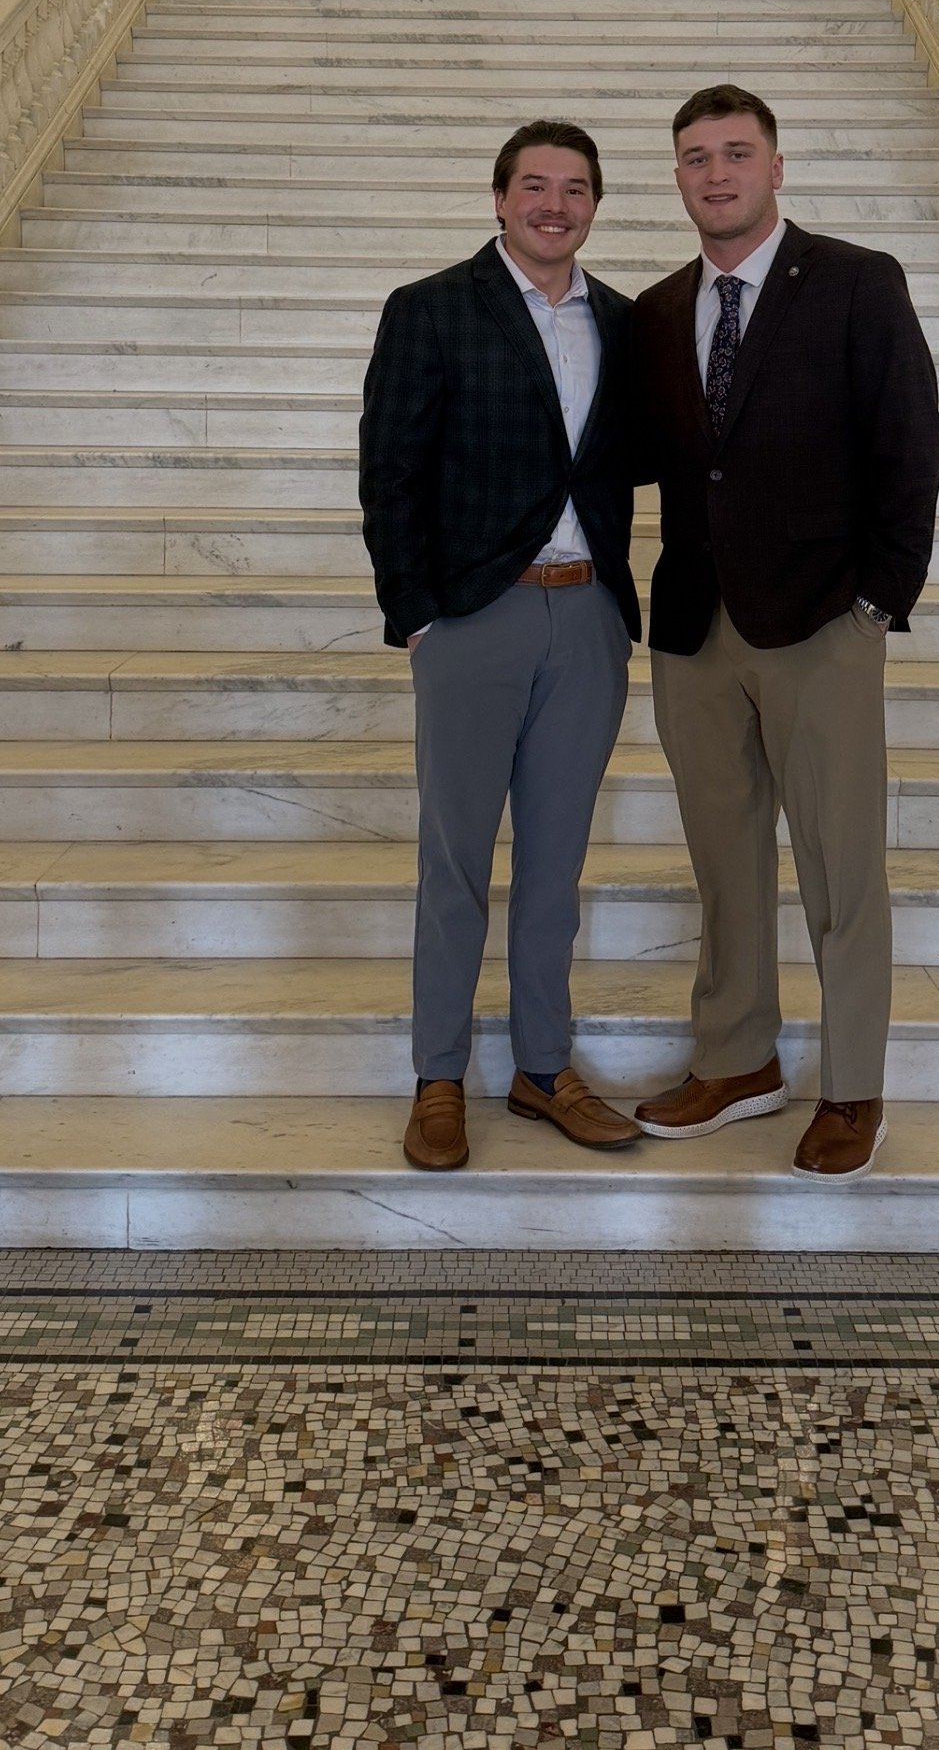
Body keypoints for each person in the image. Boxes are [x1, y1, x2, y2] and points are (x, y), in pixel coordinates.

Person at [631, 85, 939, 1180]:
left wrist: (877, 601)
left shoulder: (857, 282)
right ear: (676, 177)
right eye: (694, 158)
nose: (715, 173)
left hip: (822, 622)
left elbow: (910, 445)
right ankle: (738, 1059)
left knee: (840, 864)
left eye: (735, 153)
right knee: (724, 862)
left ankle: (852, 1086)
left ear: (776, 166)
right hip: (694, 629)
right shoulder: (661, 309)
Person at [359, 120, 642, 1173]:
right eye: (535, 185)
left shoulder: (624, 320)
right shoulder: (431, 308)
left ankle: (541, 1067)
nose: (554, 203)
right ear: (499, 197)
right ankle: (440, 1075)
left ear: (595, 205)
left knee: (558, 865)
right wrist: (420, 614)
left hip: (589, 618)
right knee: (455, 862)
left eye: (575, 188)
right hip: (475, 617)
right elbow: (388, 471)